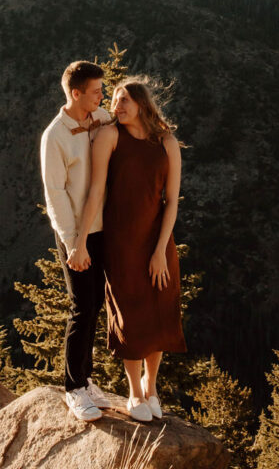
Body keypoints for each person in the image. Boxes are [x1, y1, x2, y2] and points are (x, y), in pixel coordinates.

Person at [73, 77, 186, 422]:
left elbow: (171, 202)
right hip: (121, 241)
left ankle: (152, 389)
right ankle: (135, 393)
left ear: (141, 103)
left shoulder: (166, 141)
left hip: (158, 242)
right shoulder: (110, 136)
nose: (116, 107)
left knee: (159, 311)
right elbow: (95, 191)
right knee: (129, 313)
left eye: (123, 101)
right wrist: (78, 241)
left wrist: (159, 250)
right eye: (114, 100)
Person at [40, 60, 113, 421]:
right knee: (82, 305)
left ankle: (86, 377)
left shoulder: (98, 119)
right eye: (97, 91)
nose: (104, 96)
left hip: (103, 228)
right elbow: (54, 195)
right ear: (76, 93)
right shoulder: (54, 136)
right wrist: (74, 245)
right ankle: (73, 388)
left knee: (96, 302)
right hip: (76, 234)